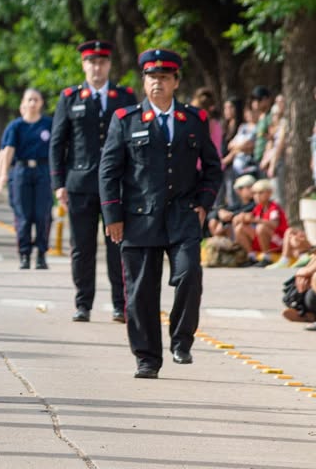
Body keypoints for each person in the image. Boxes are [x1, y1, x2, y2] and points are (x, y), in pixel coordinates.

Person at [100, 48, 222, 379]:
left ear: (176, 82)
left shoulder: (193, 120)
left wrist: (204, 203)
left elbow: (213, 167)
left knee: (189, 274)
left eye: (164, 78)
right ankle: (147, 358)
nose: (158, 83)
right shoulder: (125, 119)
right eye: (152, 77)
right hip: (139, 218)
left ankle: (181, 340)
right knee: (140, 292)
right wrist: (112, 216)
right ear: (144, 81)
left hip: (183, 214)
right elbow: (108, 171)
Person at [49, 40, 137, 322]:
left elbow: (134, 140)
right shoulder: (70, 97)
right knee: (82, 247)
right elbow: (57, 142)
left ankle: (120, 304)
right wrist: (58, 183)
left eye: (101, 62)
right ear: (83, 65)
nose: (96, 67)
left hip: (116, 185)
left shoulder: (124, 97)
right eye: (91, 62)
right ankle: (83, 303)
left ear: (109, 65)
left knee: (117, 247)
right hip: (80, 183)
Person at [0, 88, 53, 270]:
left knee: (42, 215)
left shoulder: (48, 124)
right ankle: (25, 254)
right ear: (23, 104)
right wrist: (1, 175)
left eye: (36, 99)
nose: (33, 103)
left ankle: (41, 254)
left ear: (41, 103)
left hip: (43, 171)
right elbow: (7, 151)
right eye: (29, 100)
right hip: (21, 171)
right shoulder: (16, 126)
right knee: (24, 216)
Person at [233, 179, 288, 264]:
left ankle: (267, 257)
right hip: (266, 240)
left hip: (279, 241)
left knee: (261, 228)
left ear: (269, 193)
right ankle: (251, 257)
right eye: (254, 193)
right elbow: (250, 218)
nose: (257, 196)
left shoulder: (274, 207)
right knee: (240, 228)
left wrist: (255, 220)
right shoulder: (258, 208)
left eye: (260, 193)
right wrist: (242, 218)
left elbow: (274, 224)